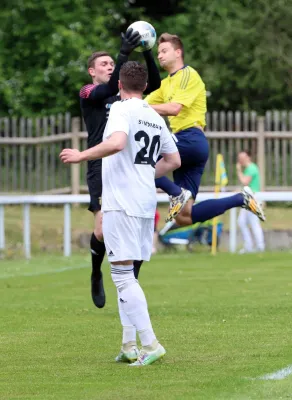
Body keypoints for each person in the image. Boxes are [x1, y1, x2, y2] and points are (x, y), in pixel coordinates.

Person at [60, 61, 180, 366]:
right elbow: (174, 159)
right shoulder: (154, 114)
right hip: (143, 203)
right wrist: (147, 173)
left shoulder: (121, 110)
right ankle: (129, 345)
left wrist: (81, 155)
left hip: (121, 202)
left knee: (123, 277)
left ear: (119, 85)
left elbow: (116, 143)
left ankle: (150, 344)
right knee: (128, 275)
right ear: (143, 86)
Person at [145, 33, 265, 226]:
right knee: (184, 217)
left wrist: (139, 108)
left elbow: (174, 108)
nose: (159, 55)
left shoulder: (187, 74)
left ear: (178, 52)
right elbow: (142, 103)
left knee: (141, 165)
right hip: (186, 147)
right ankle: (240, 199)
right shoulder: (165, 84)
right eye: (158, 52)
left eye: (164, 51)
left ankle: (178, 194)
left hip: (189, 140)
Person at [79, 29, 161, 309]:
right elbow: (107, 90)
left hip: (127, 169)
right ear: (92, 71)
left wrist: (147, 50)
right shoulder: (90, 91)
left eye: (112, 64)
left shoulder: (122, 94)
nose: (110, 66)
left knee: (134, 228)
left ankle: (131, 282)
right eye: (104, 64)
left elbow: (154, 84)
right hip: (99, 166)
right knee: (101, 230)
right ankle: (95, 272)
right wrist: (123, 53)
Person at [236, 151, 265, 253]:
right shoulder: (249, 168)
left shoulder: (251, 168)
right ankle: (251, 245)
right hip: (250, 197)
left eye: (242, 157)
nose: (240, 160)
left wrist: (239, 170)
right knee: (242, 222)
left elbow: (245, 182)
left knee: (252, 222)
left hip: (253, 198)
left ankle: (258, 246)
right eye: (239, 158)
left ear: (248, 157)